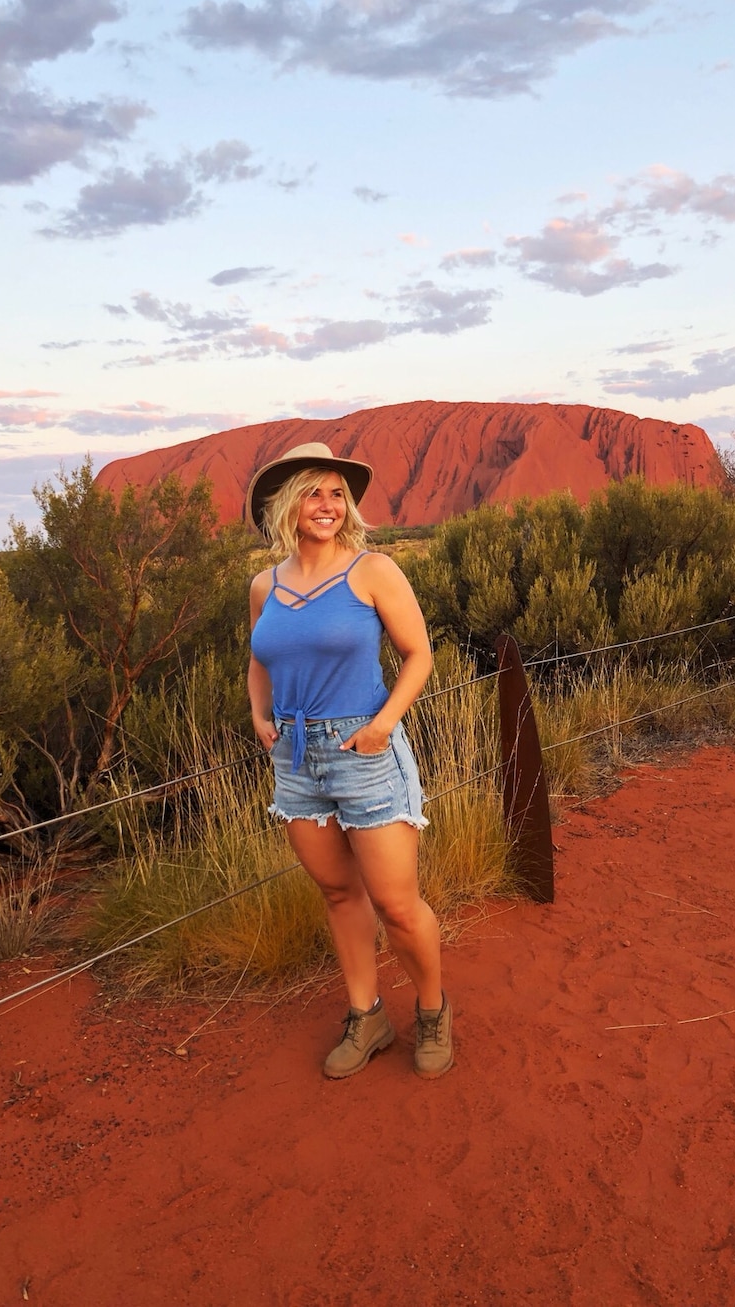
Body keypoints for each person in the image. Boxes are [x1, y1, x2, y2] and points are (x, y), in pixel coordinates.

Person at [246, 441, 453, 1080]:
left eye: (338, 493)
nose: (328, 505)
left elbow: (419, 655)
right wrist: (260, 717)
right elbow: (259, 658)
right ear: (287, 504)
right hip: (295, 755)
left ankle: (432, 1011)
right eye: (314, 492)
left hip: (364, 752)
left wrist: (381, 726)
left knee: (396, 903)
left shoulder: (373, 570)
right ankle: (367, 1018)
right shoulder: (264, 585)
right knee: (338, 892)